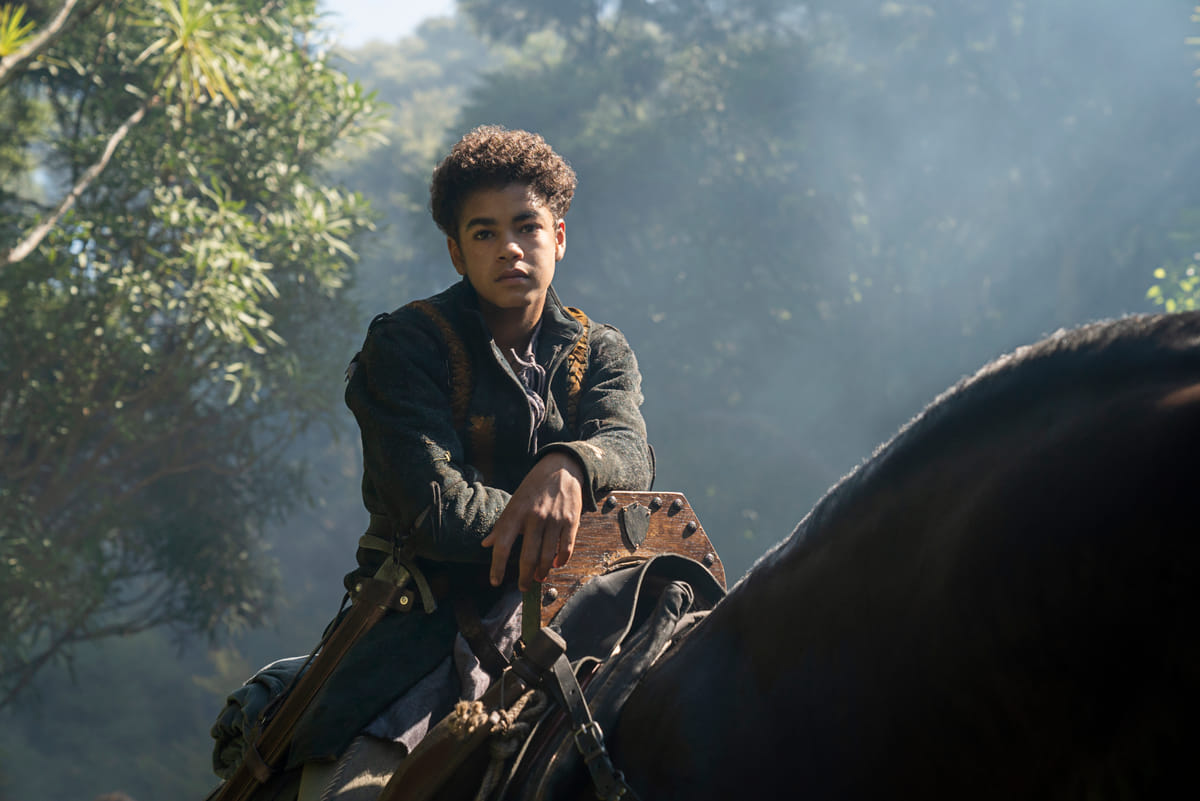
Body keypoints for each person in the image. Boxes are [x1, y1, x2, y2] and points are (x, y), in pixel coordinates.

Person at [291, 125, 655, 800]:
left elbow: (630, 453)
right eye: (484, 233)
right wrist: (558, 519)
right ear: (457, 253)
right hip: (417, 635)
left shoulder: (603, 349)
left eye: (527, 227)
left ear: (559, 237)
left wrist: (570, 464)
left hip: (573, 616)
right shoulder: (406, 345)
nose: (510, 247)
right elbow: (441, 512)